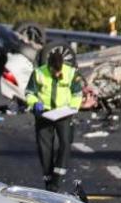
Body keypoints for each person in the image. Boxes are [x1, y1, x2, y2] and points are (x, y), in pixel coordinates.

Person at [25, 50, 83, 192]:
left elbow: (77, 93)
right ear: (49, 66)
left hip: (64, 113)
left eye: (58, 71)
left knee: (65, 144)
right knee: (45, 149)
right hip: (44, 114)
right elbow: (29, 93)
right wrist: (34, 104)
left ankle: (56, 180)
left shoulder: (70, 73)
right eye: (53, 71)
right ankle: (48, 179)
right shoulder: (39, 73)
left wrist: (73, 107)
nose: (57, 74)